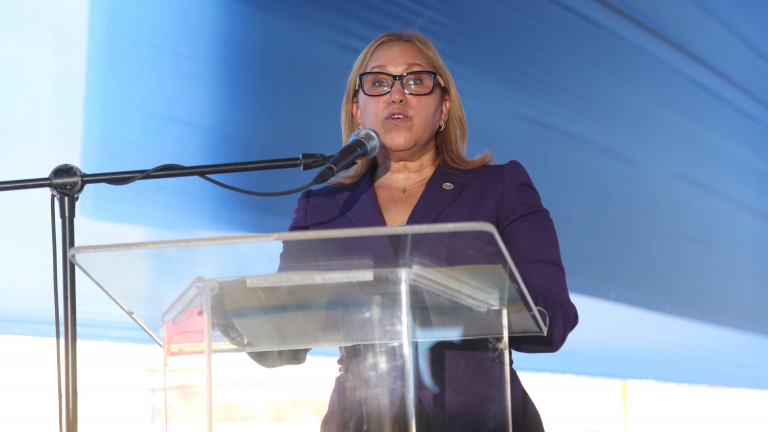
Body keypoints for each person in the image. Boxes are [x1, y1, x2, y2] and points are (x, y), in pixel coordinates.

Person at [277, 31, 578, 431]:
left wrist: (464, 292)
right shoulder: (322, 207)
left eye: (415, 81)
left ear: (443, 109)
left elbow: (553, 318)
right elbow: (280, 340)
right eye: (379, 82)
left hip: (483, 419)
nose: (396, 95)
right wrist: (226, 318)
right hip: (363, 420)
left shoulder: (500, 188)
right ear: (357, 110)